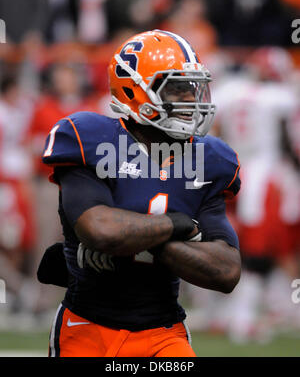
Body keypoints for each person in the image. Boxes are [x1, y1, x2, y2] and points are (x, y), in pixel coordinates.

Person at [37, 30, 241, 357]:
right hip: (88, 327)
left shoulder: (211, 159)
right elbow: (100, 230)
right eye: (176, 88)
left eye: (193, 88)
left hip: (164, 332)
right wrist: (179, 225)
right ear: (135, 90)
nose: (191, 100)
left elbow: (226, 270)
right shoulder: (89, 137)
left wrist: (144, 240)